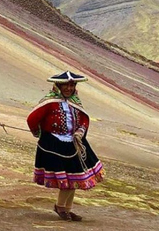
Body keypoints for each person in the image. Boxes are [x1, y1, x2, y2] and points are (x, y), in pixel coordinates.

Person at [27, 70, 104, 221]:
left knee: (74, 178)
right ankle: (61, 207)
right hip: (55, 145)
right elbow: (32, 119)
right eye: (65, 86)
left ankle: (66, 209)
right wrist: (40, 135)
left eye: (71, 85)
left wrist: (80, 131)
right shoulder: (49, 102)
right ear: (58, 86)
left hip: (73, 143)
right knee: (67, 179)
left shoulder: (75, 101)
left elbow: (84, 119)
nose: (69, 88)